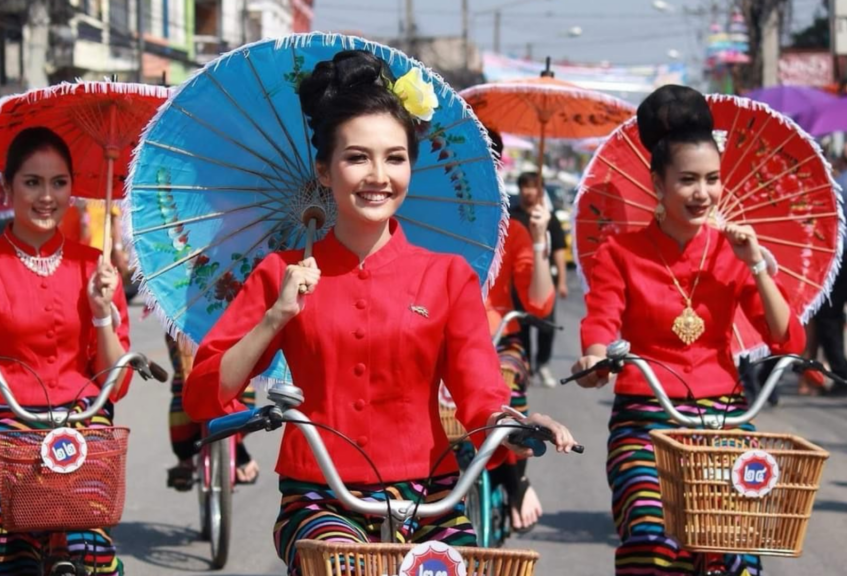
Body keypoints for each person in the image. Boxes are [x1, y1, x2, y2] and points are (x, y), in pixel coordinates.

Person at [183, 50, 578, 576]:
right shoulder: (282, 271)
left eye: (395, 157)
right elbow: (204, 396)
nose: (378, 175)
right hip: (320, 497)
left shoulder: (448, 276)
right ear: (324, 169)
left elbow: (479, 391)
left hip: (432, 493)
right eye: (356, 158)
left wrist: (517, 422)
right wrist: (275, 317)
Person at [571, 85, 805, 575]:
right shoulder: (621, 251)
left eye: (713, 179)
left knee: (737, 549)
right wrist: (595, 355)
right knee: (652, 542)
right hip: (646, 419)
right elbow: (601, 318)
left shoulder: (733, 250)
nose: (703, 193)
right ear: (658, 182)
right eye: (688, 180)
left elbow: (788, 340)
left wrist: (758, 264)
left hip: (724, 417)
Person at [0, 127, 132, 574]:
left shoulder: (95, 266)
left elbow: (116, 383)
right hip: (5, 420)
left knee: (93, 525)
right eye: (32, 182)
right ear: (6, 187)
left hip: (82, 419)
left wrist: (102, 311)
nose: (47, 196)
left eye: (59, 183)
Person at [483, 133, 555, 533]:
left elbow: (539, 303)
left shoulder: (514, 230)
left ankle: (517, 483)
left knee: (506, 385)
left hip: (499, 341)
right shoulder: (428, 220)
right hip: (439, 339)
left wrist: (541, 238)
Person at [165, 334, 260, 490]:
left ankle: (237, 446)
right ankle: (186, 458)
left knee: (244, 378)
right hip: (188, 327)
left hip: (233, 325)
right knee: (184, 381)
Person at [815, 141, 847, 395]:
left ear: (842, 160)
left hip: (846, 255)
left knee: (829, 315)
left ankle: (841, 374)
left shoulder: (839, 186)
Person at [510, 171, 568, 388]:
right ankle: (527, 366)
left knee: (546, 327)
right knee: (521, 327)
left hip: (544, 281)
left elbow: (560, 252)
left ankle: (543, 363)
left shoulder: (548, 219)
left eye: (534, 187)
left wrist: (561, 281)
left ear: (540, 190)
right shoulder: (511, 216)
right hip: (517, 284)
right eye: (525, 186)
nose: (529, 191)